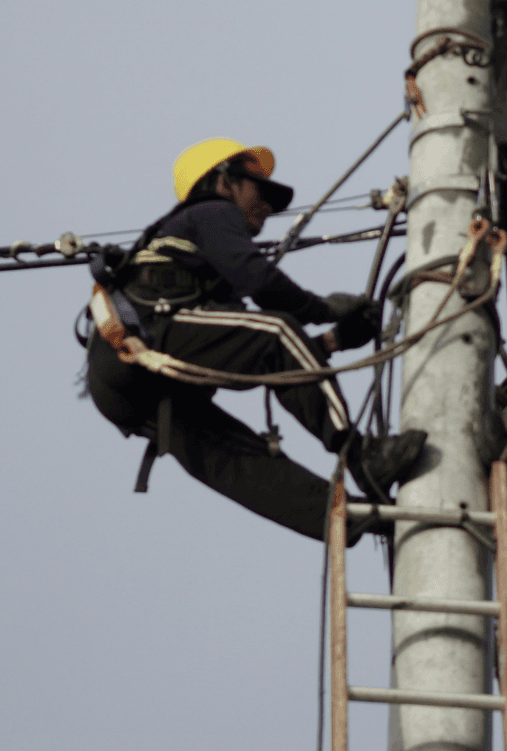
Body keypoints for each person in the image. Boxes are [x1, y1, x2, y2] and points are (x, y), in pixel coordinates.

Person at [83, 138, 425, 540]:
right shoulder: (211, 211)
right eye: (258, 188)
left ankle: (354, 517)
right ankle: (363, 456)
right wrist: (325, 309)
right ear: (223, 181)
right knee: (278, 328)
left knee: (241, 461)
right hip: (152, 334)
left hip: (123, 384)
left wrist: (333, 340)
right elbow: (259, 284)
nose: (267, 205)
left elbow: (262, 358)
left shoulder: (196, 272)